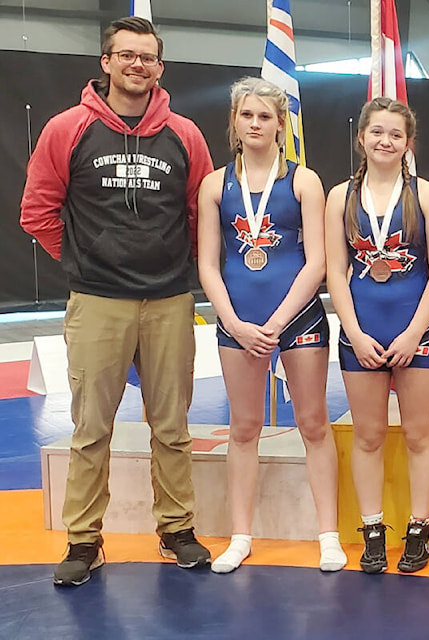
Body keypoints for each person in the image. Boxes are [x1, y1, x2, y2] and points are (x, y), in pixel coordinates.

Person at [20, 16, 213, 586]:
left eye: (147, 57)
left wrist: (180, 269)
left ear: (160, 67)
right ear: (105, 63)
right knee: (90, 428)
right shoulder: (67, 129)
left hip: (169, 300)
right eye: (125, 55)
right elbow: (38, 211)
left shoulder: (185, 134)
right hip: (98, 300)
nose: (137, 65)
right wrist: (85, 260)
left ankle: (176, 529)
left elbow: (202, 214)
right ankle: (84, 540)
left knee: (173, 426)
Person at [196, 77, 345, 574]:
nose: (255, 124)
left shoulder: (304, 181)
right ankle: (240, 536)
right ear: (234, 123)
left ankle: (328, 534)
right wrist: (234, 322)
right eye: (247, 115)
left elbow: (317, 262)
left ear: (282, 124)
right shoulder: (215, 185)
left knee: (313, 423)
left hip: (297, 317)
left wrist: (277, 322)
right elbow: (209, 264)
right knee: (243, 427)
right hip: (238, 321)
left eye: (265, 116)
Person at [325, 97, 429, 574]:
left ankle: (419, 528)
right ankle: (373, 529)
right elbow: (336, 271)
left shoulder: (426, 196)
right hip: (362, 335)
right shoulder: (341, 196)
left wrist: (414, 333)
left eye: (395, 134)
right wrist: (353, 332)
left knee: (419, 434)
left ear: (407, 142)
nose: (386, 141)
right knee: (369, 435)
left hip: (415, 334)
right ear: (362, 138)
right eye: (377, 132)